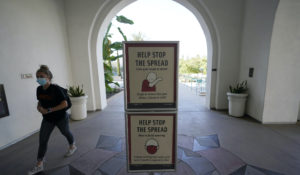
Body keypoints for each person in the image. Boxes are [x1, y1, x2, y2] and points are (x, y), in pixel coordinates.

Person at [28, 65, 77, 175]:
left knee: (65, 132)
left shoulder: (56, 89)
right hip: (47, 119)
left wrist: (49, 110)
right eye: (37, 76)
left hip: (60, 117)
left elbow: (64, 104)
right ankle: (39, 164)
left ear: (48, 77)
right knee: (43, 140)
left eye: (41, 76)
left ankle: (72, 145)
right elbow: (40, 101)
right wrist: (39, 108)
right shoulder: (39, 89)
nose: (39, 78)